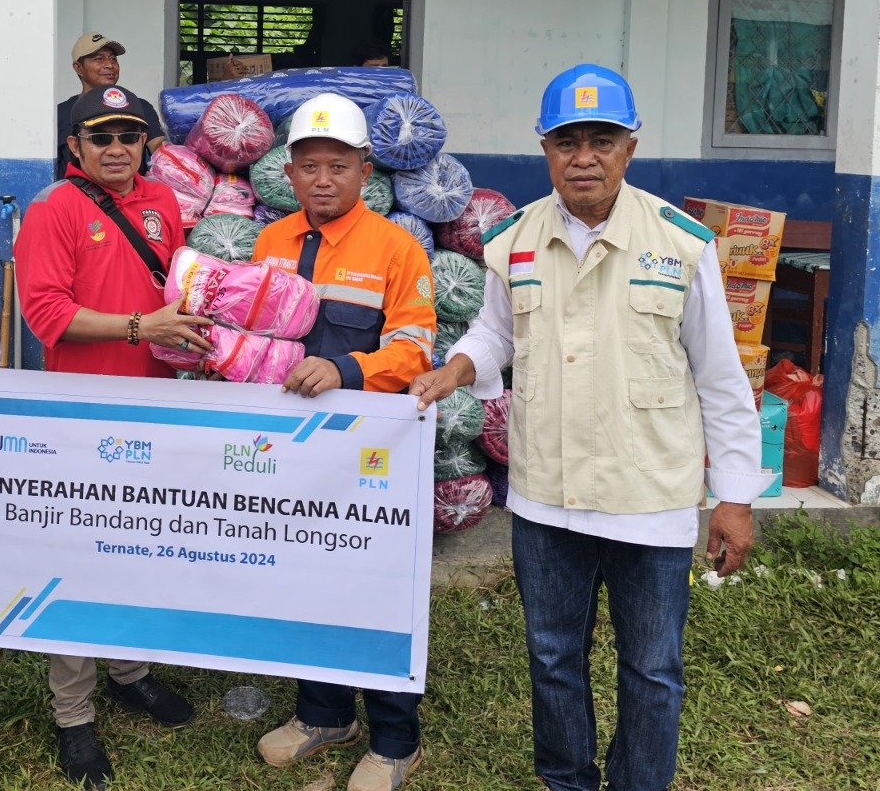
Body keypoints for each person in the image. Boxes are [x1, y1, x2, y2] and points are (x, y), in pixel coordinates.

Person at [411, 62, 767, 791]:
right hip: (548, 494)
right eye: (566, 141)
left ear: (629, 148)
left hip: (651, 495)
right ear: (545, 149)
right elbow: (496, 332)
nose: (584, 157)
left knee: (653, 668)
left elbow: (723, 379)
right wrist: (458, 366)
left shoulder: (681, 244)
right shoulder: (511, 239)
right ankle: (566, 781)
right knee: (551, 656)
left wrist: (733, 496)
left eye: (601, 140)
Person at [16, 82, 208, 788]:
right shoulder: (53, 209)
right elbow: (45, 313)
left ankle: (130, 671)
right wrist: (140, 328)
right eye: (102, 138)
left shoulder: (161, 204)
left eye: (130, 137)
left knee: (138, 547)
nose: (118, 149)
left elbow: (176, 291)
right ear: (76, 146)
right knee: (79, 554)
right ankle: (74, 714)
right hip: (83, 413)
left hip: (156, 407)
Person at [250, 92, 436, 791]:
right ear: (289, 174)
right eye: (308, 166)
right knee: (304, 583)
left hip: (371, 457)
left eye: (337, 165)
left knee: (377, 590)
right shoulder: (271, 242)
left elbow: (417, 350)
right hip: (294, 452)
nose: (322, 179)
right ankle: (325, 714)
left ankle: (395, 737)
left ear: (365, 171)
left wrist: (347, 368)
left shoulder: (397, 248)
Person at [56, 31, 164, 179]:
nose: (109, 65)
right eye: (99, 59)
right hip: (77, 198)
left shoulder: (139, 107)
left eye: (113, 59)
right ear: (78, 68)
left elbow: (159, 148)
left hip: (130, 198)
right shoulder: (59, 113)